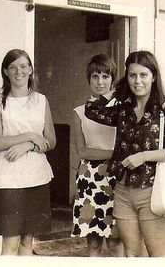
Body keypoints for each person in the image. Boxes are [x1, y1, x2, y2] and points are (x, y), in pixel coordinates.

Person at [85, 50, 165, 257]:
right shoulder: (123, 109)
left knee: (157, 256)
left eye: (143, 75)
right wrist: (117, 88)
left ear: (154, 76)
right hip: (123, 191)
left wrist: (144, 156)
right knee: (131, 255)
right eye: (132, 75)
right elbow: (92, 110)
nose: (138, 81)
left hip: (151, 191)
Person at [0, 49, 56, 256]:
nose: (19, 71)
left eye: (24, 66)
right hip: (9, 179)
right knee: (11, 242)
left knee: (27, 241)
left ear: (31, 70)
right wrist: (29, 135)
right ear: (5, 72)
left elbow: (51, 141)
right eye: (13, 67)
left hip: (37, 177)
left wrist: (29, 145)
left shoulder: (41, 100)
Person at [71, 54, 124, 257]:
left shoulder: (121, 109)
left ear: (112, 79)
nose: (100, 82)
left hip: (117, 178)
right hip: (90, 179)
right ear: (89, 79)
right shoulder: (79, 112)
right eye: (95, 76)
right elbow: (82, 150)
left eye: (105, 76)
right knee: (93, 244)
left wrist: (117, 159)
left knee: (116, 242)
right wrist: (115, 154)